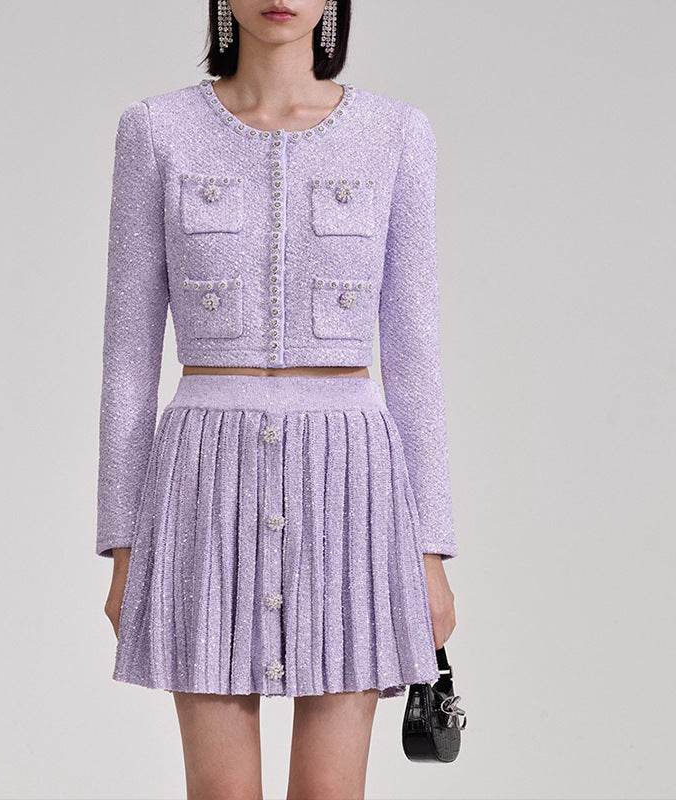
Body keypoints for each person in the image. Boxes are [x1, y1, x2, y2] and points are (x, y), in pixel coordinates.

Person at [97, 2, 457, 797]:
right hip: (202, 484)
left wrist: (429, 553)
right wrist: (124, 547)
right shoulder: (154, 131)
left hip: (352, 489)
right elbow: (127, 359)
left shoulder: (397, 134)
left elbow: (414, 359)